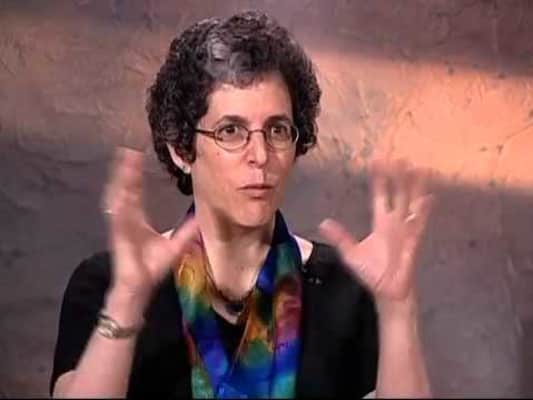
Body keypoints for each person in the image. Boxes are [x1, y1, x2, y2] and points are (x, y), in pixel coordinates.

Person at [50, 10, 434, 398]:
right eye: (230, 131)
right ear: (181, 149)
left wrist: (397, 308)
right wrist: (128, 299)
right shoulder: (108, 282)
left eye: (277, 130)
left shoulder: (347, 288)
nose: (260, 155)